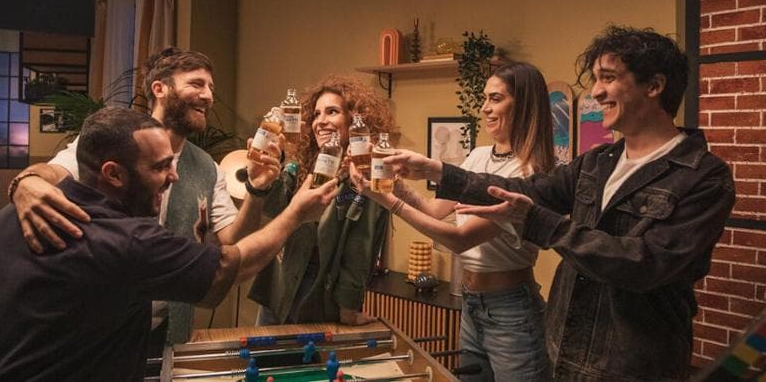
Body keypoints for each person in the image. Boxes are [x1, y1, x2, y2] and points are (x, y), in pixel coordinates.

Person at [383, 26, 736, 381]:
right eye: (595, 79)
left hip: (634, 367)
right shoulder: (597, 162)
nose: (596, 91)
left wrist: (537, 221)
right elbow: (522, 189)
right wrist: (437, 170)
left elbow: (644, 263)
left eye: (608, 78)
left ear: (655, 85)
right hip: (565, 351)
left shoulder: (703, 177)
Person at [0, 108, 337, 381]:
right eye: (160, 167)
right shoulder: (125, 241)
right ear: (113, 173)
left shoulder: (10, 214)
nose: (173, 176)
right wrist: (295, 214)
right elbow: (230, 266)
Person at [8, 48, 281, 346]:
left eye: (211, 88)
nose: (208, 96)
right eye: (196, 84)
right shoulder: (118, 141)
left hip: (169, 330)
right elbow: (53, 172)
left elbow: (230, 240)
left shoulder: (208, 168)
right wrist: (27, 181)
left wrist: (256, 190)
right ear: (159, 89)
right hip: (102, 329)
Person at [349, 62, 554, 381]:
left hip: (511, 309)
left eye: (496, 98)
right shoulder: (478, 156)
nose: (485, 108)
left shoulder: (529, 172)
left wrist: (386, 201)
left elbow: (460, 239)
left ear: (524, 104)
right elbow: (433, 210)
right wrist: (393, 183)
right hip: (472, 303)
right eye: (484, 98)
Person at [248, 75, 396, 326]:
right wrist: (263, 179)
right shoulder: (300, 166)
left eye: (332, 112)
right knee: (263, 352)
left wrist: (348, 308)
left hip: (316, 296)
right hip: (278, 289)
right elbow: (273, 210)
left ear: (354, 120)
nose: (321, 121)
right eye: (316, 114)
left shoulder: (364, 178)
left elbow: (359, 248)